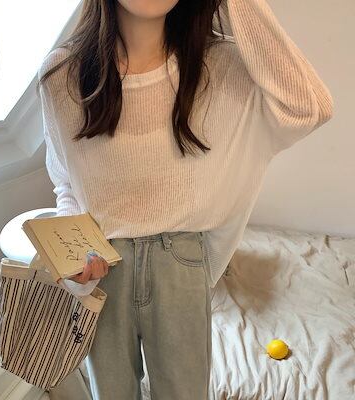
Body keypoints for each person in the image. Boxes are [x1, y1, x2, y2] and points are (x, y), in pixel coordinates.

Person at [36, 0, 333, 399]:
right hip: (102, 268)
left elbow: (309, 109)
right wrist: (74, 262)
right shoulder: (61, 75)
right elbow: (67, 183)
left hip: (182, 263)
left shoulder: (222, 67)